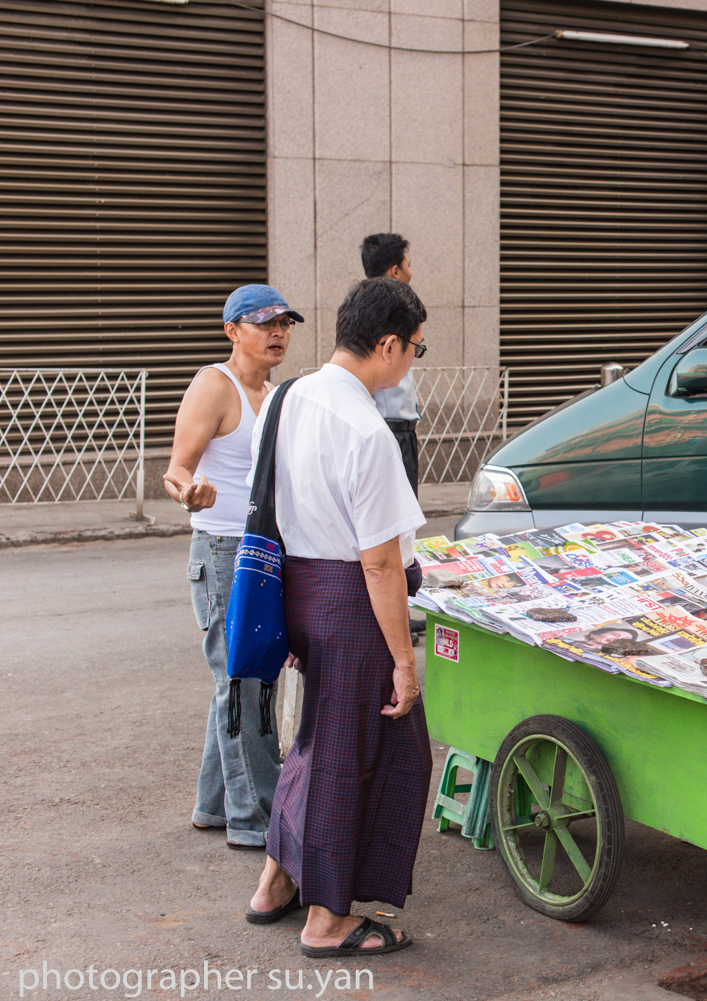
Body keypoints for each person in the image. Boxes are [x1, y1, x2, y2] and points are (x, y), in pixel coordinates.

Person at [244, 278, 430, 957]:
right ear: (386, 344)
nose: (412, 359)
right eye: (414, 347)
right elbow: (380, 564)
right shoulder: (367, 432)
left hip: (299, 591)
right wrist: (404, 663)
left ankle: (275, 881)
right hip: (352, 604)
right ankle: (326, 918)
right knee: (357, 755)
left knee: (316, 742)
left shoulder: (286, 397)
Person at [163, 284, 303, 850]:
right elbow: (177, 467)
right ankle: (256, 820)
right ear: (232, 330)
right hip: (222, 553)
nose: (278, 332)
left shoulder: (273, 394)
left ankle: (215, 806)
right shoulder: (213, 385)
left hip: (258, 553)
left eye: (286, 323)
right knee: (246, 682)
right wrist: (187, 492)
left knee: (237, 678)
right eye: (265, 322)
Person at [361, 233, 421, 497]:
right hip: (389, 428)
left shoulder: (361, 304)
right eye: (408, 265)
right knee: (398, 517)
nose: (411, 272)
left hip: (392, 428)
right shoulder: (388, 308)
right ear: (395, 270)